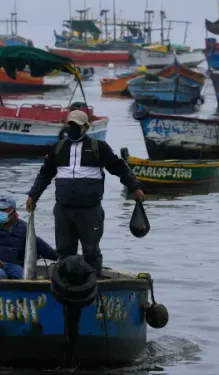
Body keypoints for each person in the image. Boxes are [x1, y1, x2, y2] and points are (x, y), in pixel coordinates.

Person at [25, 108, 145, 275]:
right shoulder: (57, 149)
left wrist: (135, 187)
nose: (73, 128)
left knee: (91, 251)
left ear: (86, 127)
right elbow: (45, 174)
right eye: (70, 125)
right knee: (64, 252)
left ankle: (93, 284)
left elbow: (119, 168)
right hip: (63, 210)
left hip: (90, 210)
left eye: (77, 125)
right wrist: (33, 195)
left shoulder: (98, 147)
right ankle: (65, 284)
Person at [0, 196, 57, 279]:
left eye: (3, 210)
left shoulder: (23, 227)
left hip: (11, 265)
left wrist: (60, 257)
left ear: (13, 212)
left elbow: (39, 245)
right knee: (0, 274)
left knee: (24, 277)